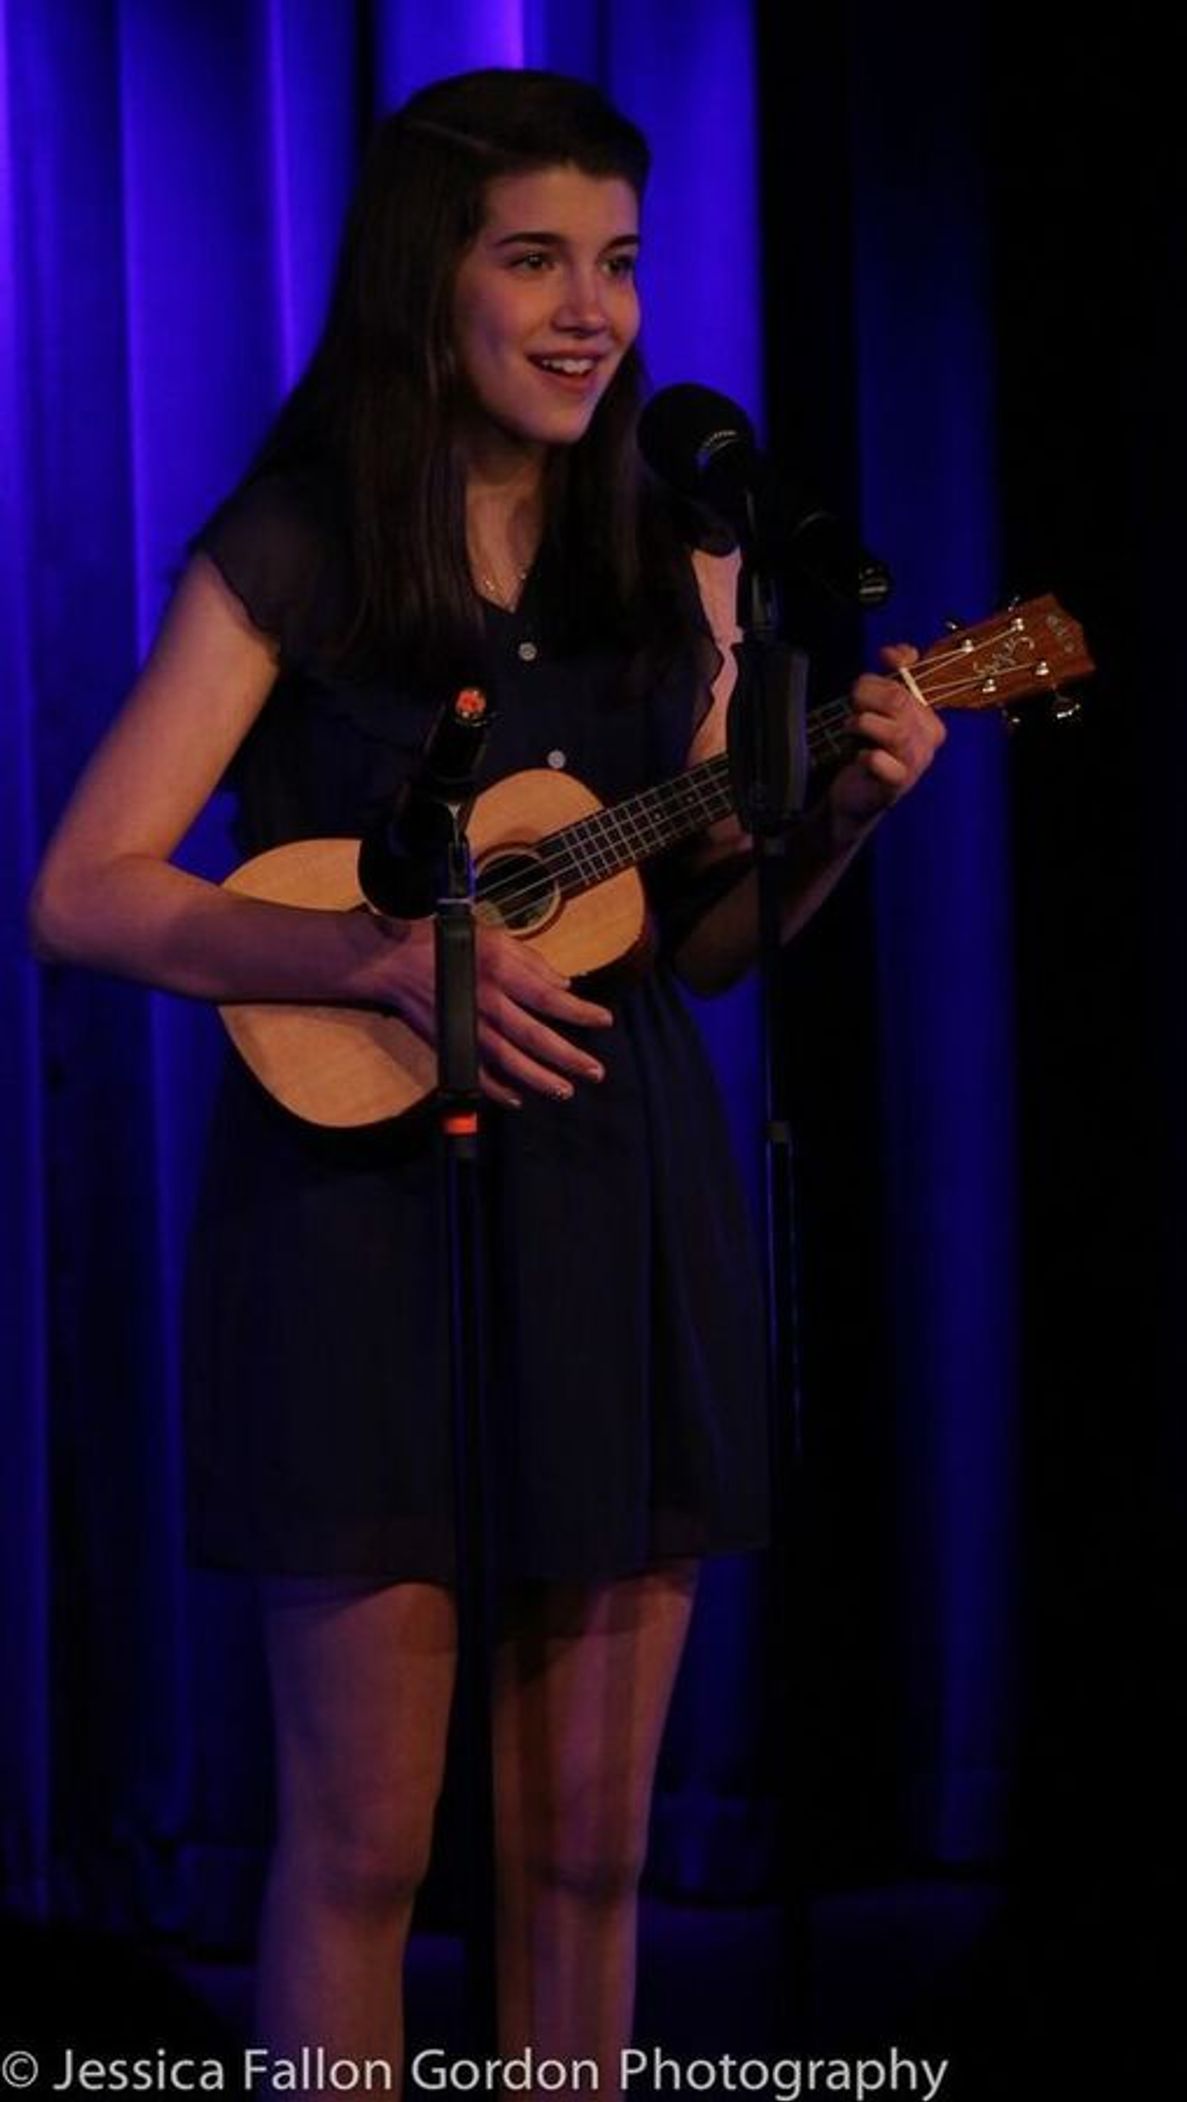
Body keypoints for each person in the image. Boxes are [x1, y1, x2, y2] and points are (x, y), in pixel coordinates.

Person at [29, 68, 944, 2098]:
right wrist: (366, 953)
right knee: (360, 1850)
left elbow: (698, 942)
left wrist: (846, 818)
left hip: (615, 1212)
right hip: (355, 1224)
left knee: (588, 1854)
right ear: (424, 280)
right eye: (533, 258)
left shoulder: (674, 549)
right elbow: (83, 890)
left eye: (617, 263)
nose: (587, 310)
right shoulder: (302, 546)